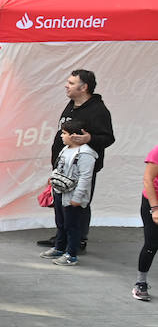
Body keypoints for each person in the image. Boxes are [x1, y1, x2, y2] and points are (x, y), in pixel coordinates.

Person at [36, 69, 114, 253]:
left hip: (81, 169)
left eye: (71, 83)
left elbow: (108, 138)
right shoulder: (72, 105)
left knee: (78, 203)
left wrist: (89, 139)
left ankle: (77, 241)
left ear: (84, 87)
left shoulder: (98, 110)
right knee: (62, 204)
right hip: (63, 166)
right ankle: (61, 239)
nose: (66, 85)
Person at [40, 119, 98, 267]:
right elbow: (59, 166)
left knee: (72, 226)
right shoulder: (66, 149)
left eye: (64, 133)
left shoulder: (85, 154)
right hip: (60, 192)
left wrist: (77, 198)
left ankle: (71, 254)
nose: (61, 136)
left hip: (72, 197)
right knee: (61, 223)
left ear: (74, 136)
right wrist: (53, 178)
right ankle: (59, 248)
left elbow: (85, 178)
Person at [135, 140, 158, 301]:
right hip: (153, 201)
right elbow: (147, 180)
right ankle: (140, 283)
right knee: (152, 244)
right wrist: (155, 209)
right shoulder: (157, 151)